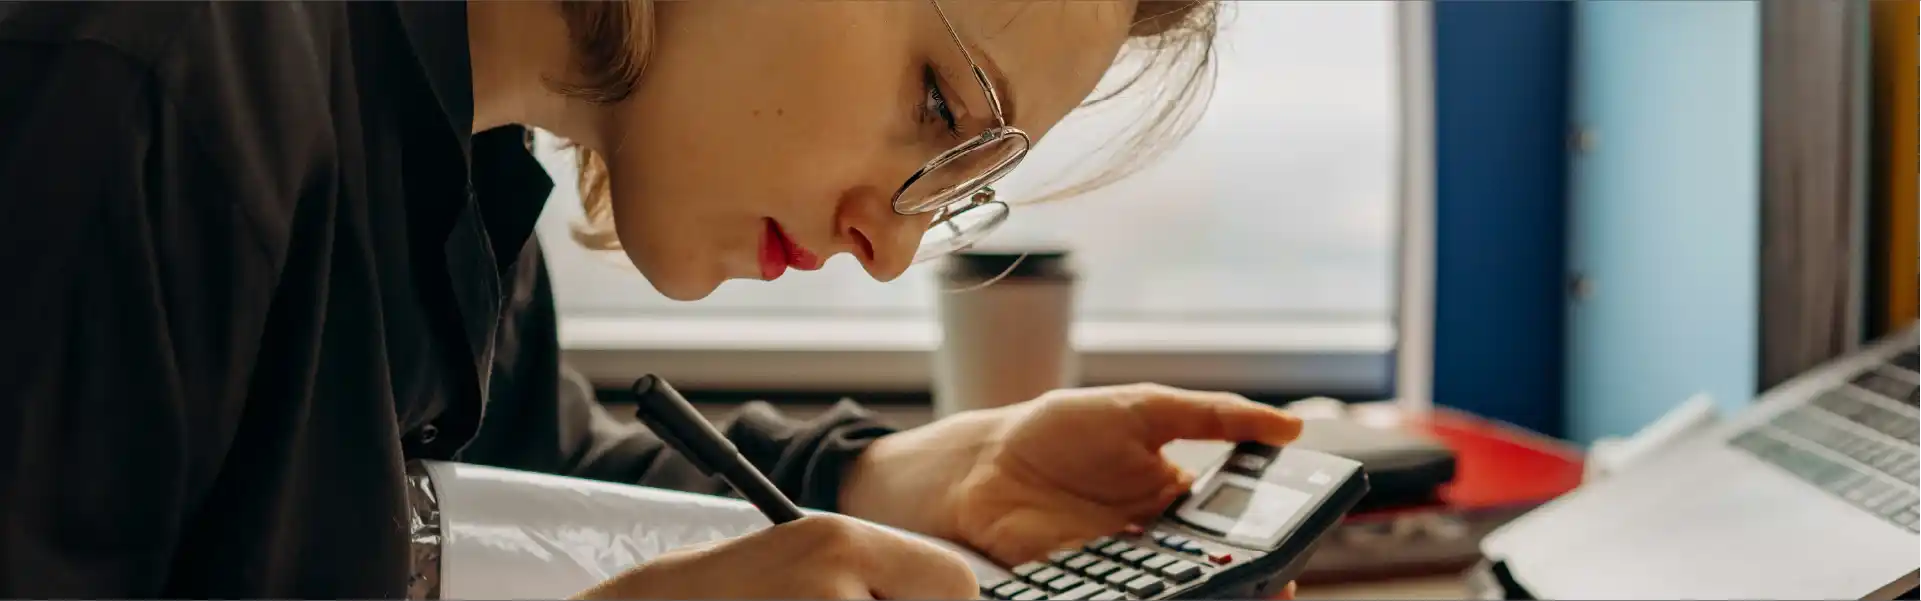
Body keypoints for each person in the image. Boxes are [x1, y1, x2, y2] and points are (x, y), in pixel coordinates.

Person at [0, 0, 1307, 598]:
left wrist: (882, 482)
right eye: (940, 110)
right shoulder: (141, 97)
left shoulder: (456, 148)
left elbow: (499, 482)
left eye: (957, 181)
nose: (893, 248)